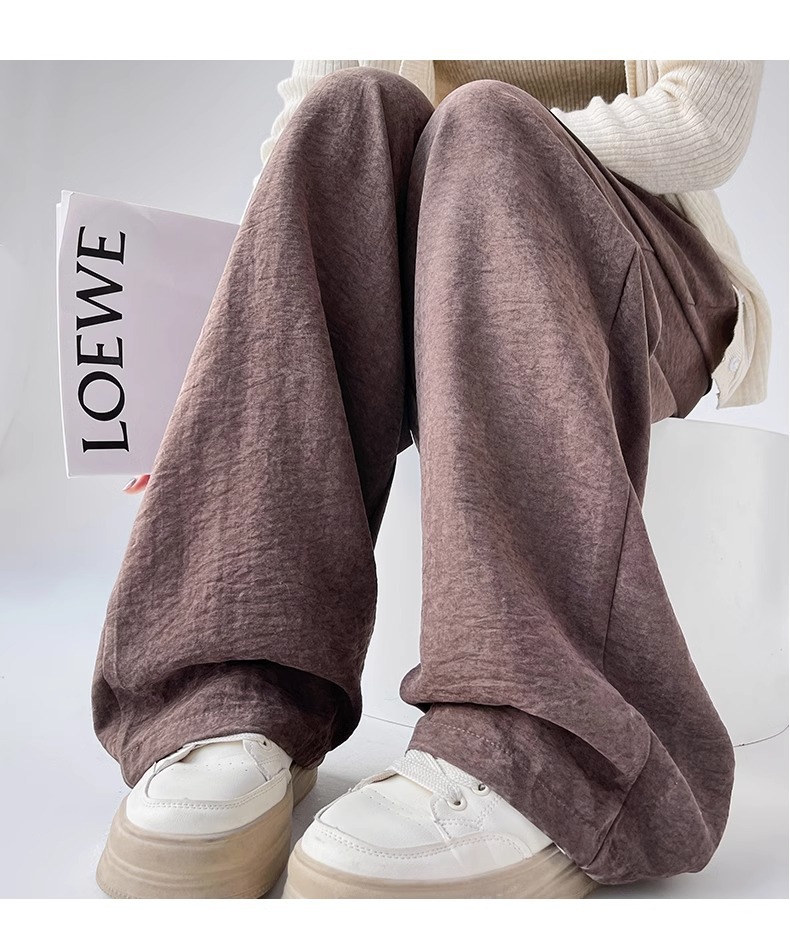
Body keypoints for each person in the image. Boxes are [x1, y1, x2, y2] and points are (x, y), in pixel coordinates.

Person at [91, 60, 769, 899]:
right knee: (347, 113)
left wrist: (465, 159)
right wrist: (215, 376)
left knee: (483, 126)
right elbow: (305, 163)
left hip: (643, 258)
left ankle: (538, 743)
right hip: (431, 260)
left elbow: (701, 127)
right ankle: (237, 692)